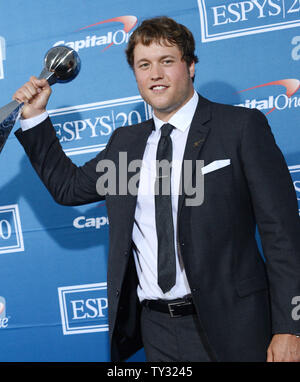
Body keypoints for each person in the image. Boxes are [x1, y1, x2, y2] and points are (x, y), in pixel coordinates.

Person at [13, 16, 300, 362]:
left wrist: (291, 327)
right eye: (144, 65)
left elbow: (282, 235)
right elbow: (69, 188)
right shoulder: (126, 145)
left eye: (167, 61)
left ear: (191, 66)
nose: (155, 74)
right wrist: (34, 117)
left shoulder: (240, 128)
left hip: (234, 326)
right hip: (157, 331)